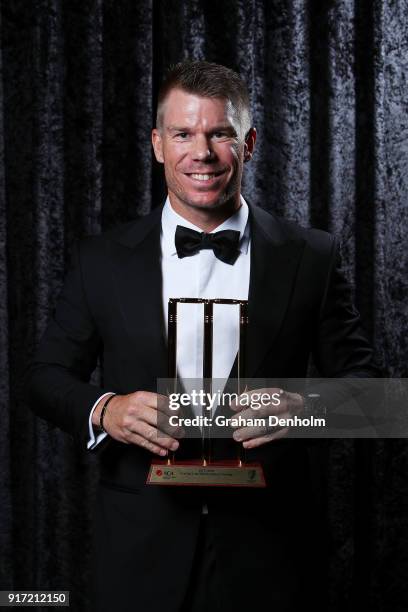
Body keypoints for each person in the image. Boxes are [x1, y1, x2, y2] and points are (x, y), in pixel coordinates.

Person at [26, 60, 378, 612]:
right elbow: (44, 378)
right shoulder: (101, 259)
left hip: (273, 555)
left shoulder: (310, 256)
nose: (203, 152)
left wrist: (304, 407)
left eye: (221, 133)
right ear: (157, 145)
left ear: (250, 143)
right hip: (139, 552)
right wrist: (106, 409)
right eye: (183, 133)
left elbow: (371, 393)